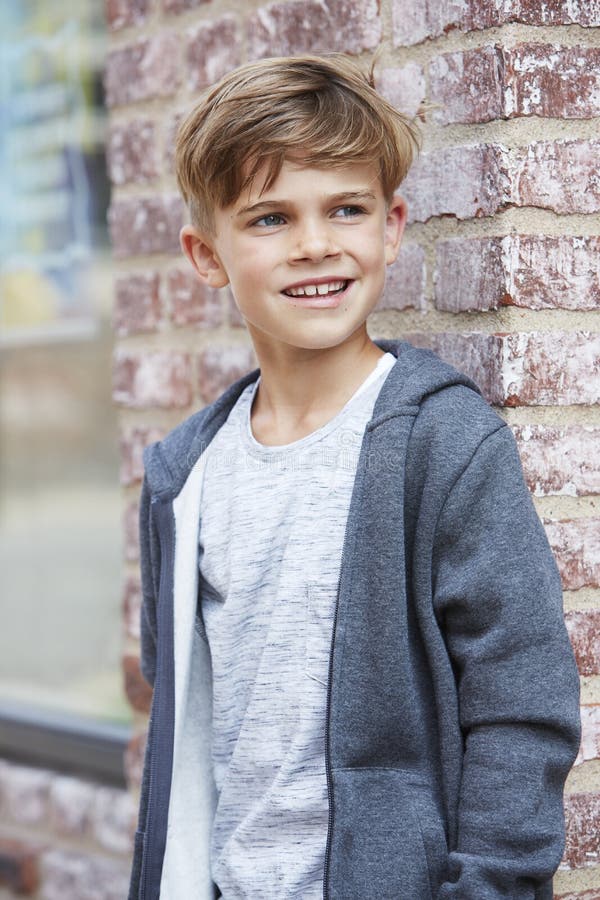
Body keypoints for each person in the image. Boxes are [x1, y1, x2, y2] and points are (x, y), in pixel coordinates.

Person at [128, 54, 581, 900]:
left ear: (392, 226)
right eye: (269, 218)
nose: (315, 245)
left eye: (346, 209)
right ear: (206, 252)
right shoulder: (183, 477)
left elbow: (523, 710)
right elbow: (181, 709)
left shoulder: (444, 444)